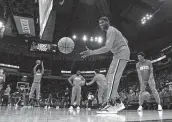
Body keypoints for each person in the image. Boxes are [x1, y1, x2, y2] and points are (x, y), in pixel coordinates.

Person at [80, 16, 130, 112]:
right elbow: (126, 41)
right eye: (99, 23)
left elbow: (107, 48)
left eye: (102, 22)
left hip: (121, 54)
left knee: (113, 78)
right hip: (118, 54)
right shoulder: (113, 31)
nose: (101, 24)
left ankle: (111, 104)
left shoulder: (111, 30)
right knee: (108, 79)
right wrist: (121, 46)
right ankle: (118, 102)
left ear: (108, 22)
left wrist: (91, 52)